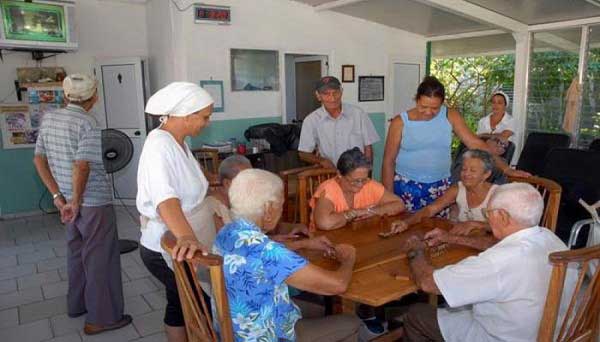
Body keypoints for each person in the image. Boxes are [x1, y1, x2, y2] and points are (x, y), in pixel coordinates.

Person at [401, 183, 576, 342]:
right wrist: (450, 238)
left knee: (415, 314)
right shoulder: (549, 237)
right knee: (461, 304)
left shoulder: (497, 261)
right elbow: (497, 244)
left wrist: (416, 251)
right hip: (553, 332)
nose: (487, 220)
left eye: (488, 213)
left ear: (503, 216)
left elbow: (428, 283)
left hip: (503, 337)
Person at [33, 74, 131, 335]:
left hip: (66, 201)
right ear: (94, 97)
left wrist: (59, 197)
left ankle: (77, 305)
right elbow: (82, 165)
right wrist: (77, 202)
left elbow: (39, 159)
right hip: (92, 203)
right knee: (100, 258)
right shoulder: (88, 122)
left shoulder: (49, 118)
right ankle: (101, 318)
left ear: (65, 96)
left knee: (77, 253)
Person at [214, 169, 361, 341]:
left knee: (318, 308)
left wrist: (304, 243)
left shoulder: (227, 232)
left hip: (231, 330)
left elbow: (258, 253)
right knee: (351, 323)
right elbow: (338, 285)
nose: (281, 211)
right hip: (270, 336)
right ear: (268, 209)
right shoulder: (270, 252)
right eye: (281, 205)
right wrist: (349, 258)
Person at [137, 82, 214, 342]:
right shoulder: (159, 145)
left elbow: (188, 182)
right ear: (186, 115)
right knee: (194, 301)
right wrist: (186, 237)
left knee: (180, 303)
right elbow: (165, 199)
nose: (207, 122)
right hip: (164, 246)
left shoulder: (178, 141)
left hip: (180, 236)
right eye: (204, 117)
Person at [382, 76, 528, 213]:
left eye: (434, 108)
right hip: (406, 186)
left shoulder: (449, 115)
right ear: (416, 99)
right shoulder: (400, 122)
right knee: (404, 230)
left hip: (440, 187)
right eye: (423, 106)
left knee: (435, 233)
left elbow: (476, 144)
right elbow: (388, 161)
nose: (428, 112)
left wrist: (505, 168)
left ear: (442, 103)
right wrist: (389, 198)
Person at [391, 149, 499, 251]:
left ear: (486, 174)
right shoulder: (457, 189)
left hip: (488, 247)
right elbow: (431, 209)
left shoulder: (497, 195)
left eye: (473, 170)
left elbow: (510, 228)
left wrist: (476, 224)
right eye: (464, 169)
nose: (466, 174)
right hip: (462, 244)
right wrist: (407, 222)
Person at [311, 147, 405, 231]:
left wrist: (367, 212)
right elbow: (324, 223)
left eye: (363, 180)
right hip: (326, 241)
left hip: (357, 236)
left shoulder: (369, 184)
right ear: (339, 175)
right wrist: (352, 214)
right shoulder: (328, 190)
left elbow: (399, 204)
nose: (360, 185)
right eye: (355, 181)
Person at [298, 76, 380, 168]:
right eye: (326, 94)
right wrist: (322, 161)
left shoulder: (358, 114)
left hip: (356, 174)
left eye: (335, 93)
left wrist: (367, 172)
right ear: (318, 96)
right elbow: (303, 153)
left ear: (341, 92)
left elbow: (368, 148)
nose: (332, 98)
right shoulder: (311, 120)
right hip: (330, 173)